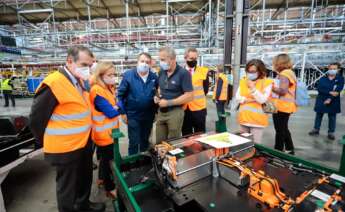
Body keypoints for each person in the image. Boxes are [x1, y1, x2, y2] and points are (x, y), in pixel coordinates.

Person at [29, 46, 105, 212]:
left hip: (83, 143)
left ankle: (83, 205)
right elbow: (36, 119)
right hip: (65, 148)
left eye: (90, 65)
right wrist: (45, 142)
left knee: (85, 178)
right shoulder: (54, 83)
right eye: (84, 64)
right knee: (67, 187)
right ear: (69, 61)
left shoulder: (79, 81)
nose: (88, 69)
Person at [90, 62, 124, 199]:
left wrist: (117, 107)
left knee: (105, 159)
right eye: (110, 75)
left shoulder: (109, 88)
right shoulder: (97, 91)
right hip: (103, 134)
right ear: (100, 75)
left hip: (110, 132)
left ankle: (102, 180)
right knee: (109, 161)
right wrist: (117, 107)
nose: (113, 77)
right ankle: (110, 189)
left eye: (114, 74)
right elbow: (111, 112)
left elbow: (118, 107)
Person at [117, 52, 158, 155]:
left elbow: (157, 94)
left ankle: (144, 163)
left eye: (147, 62)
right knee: (134, 142)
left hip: (148, 115)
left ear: (150, 64)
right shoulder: (128, 75)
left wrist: (156, 112)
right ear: (137, 62)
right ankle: (133, 165)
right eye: (142, 61)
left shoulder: (154, 77)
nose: (144, 64)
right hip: (133, 115)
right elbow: (120, 96)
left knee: (145, 141)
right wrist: (122, 113)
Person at [155, 47, 193, 143]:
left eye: (163, 59)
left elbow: (189, 96)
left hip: (175, 112)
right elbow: (160, 88)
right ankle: (161, 158)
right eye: (160, 59)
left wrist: (168, 102)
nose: (161, 62)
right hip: (161, 112)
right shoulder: (161, 72)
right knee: (159, 142)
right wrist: (157, 96)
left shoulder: (183, 74)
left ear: (172, 59)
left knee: (173, 142)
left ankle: (172, 158)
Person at [235, 59, 273, 144]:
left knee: (255, 146)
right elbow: (237, 97)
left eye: (253, 71)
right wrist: (248, 100)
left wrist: (253, 88)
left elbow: (262, 100)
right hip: (243, 119)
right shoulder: (244, 81)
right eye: (248, 71)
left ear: (260, 71)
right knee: (241, 144)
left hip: (257, 122)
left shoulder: (267, 82)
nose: (250, 73)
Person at [309, 63, 344, 140]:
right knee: (319, 115)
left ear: (338, 70)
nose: (332, 70)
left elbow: (337, 90)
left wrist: (329, 98)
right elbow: (319, 89)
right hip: (321, 99)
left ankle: (331, 132)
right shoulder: (323, 79)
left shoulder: (340, 79)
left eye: (334, 69)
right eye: (330, 69)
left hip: (333, 100)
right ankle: (316, 129)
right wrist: (329, 92)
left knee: (332, 117)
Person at [271, 54, 297, 155]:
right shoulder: (290, 73)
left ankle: (278, 151)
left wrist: (271, 86)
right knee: (284, 128)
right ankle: (290, 148)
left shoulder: (285, 74)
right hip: (286, 106)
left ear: (279, 62)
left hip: (282, 106)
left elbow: (282, 91)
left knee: (279, 130)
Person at [181, 48, 209, 135]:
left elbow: (205, 89)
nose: (193, 61)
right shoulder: (179, 72)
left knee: (200, 135)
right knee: (186, 135)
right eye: (191, 59)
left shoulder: (203, 71)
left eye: (195, 59)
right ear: (185, 58)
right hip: (184, 109)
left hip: (199, 109)